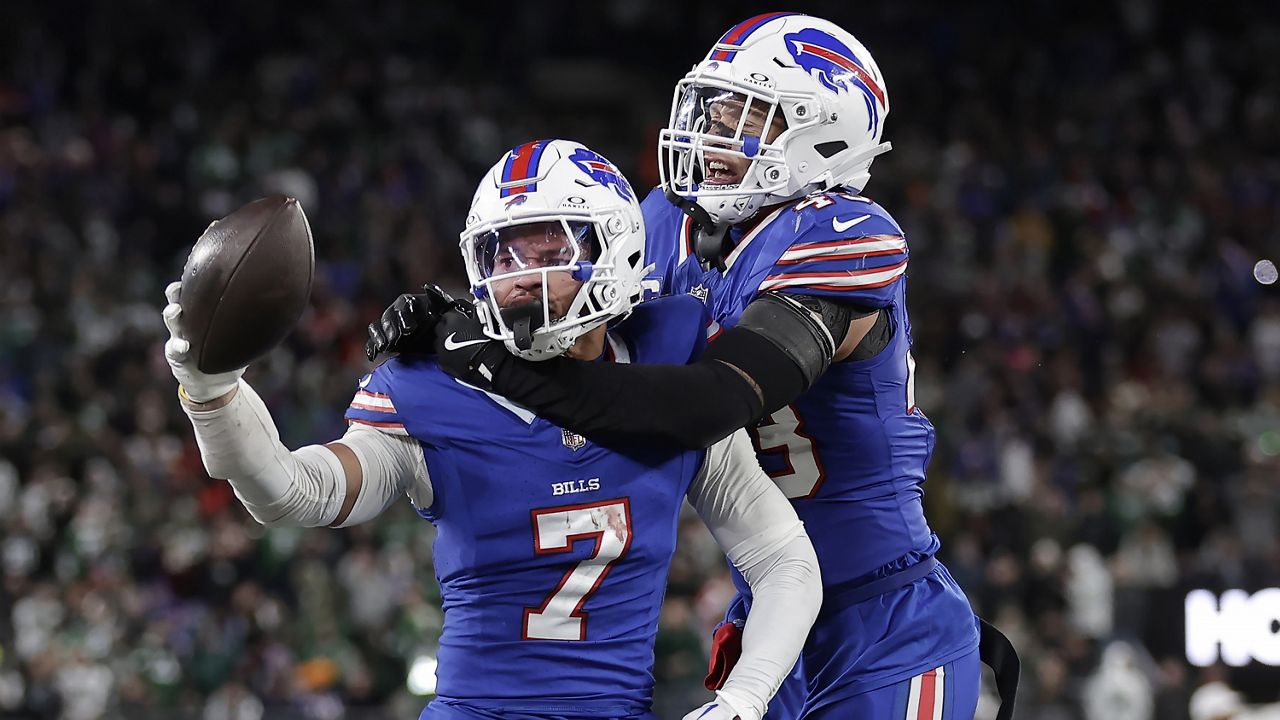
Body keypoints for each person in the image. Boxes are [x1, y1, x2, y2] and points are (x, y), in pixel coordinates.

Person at [368, 15, 1020, 720]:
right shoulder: (665, 224)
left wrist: (487, 363)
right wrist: (469, 318)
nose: (714, 129)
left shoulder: (845, 236)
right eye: (715, 106)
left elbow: (707, 403)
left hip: (884, 622)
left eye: (747, 113)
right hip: (769, 610)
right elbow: (577, 335)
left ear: (823, 132)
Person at [165, 139, 823, 720]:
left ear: (617, 248)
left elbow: (784, 561)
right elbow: (291, 492)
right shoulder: (433, 386)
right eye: (500, 252)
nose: (518, 274)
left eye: (547, 245)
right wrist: (212, 390)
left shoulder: (667, 368)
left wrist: (742, 699)